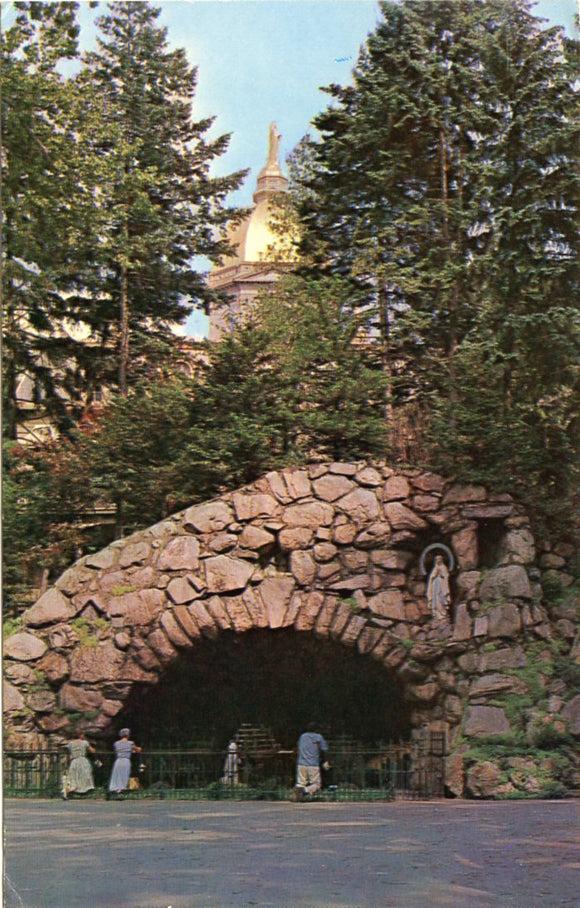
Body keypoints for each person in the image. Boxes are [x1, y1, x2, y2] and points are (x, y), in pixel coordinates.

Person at [292, 722, 329, 801]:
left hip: (301, 763)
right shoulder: (318, 737)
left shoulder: (302, 736)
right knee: (316, 785)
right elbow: (325, 749)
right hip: (313, 764)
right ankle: (304, 791)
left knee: (301, 783)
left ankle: (298, 795)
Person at [107, 728, 141, 799]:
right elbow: (138, 750)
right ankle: (120, 790)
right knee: (124, 775)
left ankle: (114, 788)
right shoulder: (130, 743)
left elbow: (116, 751)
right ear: (128, 735)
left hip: (118, 760)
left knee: (116, 775)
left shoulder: (116, 743)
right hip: (126, 760)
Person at [63, 730, 95, 799]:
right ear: (80, 735)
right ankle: (83, 791)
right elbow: (93, 751)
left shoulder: (70, 743)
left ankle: (69, 791)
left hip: (74, 761)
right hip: (82, 761)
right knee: (84, 776)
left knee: (74, 777)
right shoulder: (84, 742)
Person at [427, 554, 451, 620]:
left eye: (439, 559)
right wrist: (434, 575)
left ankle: (443, 614)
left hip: (442, 586)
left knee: (441, 598)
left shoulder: (444, 567)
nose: (438, 560)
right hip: (435, 585)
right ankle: (437, 614)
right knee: (436, 598)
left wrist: (441, 575)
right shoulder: (435, 568)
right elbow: (431, 577)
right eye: (437, 559)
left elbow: (446, 576)